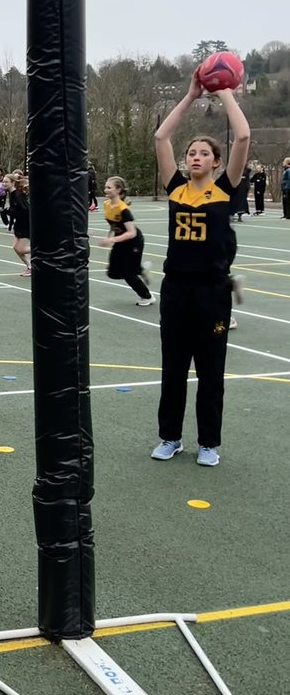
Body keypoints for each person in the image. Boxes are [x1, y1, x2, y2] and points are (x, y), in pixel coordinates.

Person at [150, 71, 250, 467]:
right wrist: (190, 96)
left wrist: (224, 92)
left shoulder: (224, 189)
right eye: (191, 152)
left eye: (203, 153)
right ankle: (170, 437)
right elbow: (160, 138)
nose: (195, 157)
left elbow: (242, 136)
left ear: (217, 162)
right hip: (176, 289)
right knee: (173, 369)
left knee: (211, 371)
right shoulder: (175, 187)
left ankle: (208, 442)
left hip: (212, 291)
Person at [99, 176, 154, 307]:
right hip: (121, 241)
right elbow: (113, 225)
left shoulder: (123, 209)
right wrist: (109, 237)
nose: (105, 190)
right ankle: (141, 269)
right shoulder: (107, 205)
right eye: (105, 187)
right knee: (112, 272)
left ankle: (147, 296)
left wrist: (112, 239)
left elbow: (131, 232)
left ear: (118, 190)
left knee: (129, 274)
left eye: (109, 187)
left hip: (133, 242)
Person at [4, 173, 31, 274]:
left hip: (25, 224)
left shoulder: (18, 195)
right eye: (3, 182)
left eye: (6, 182)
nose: (4, 184)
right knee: (15, 247)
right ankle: (29, 267)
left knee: (21, 249)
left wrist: (9, 211)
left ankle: (43, 249)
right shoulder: (12, 194)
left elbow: (25, 210)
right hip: (19, 224)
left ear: (13, 183)